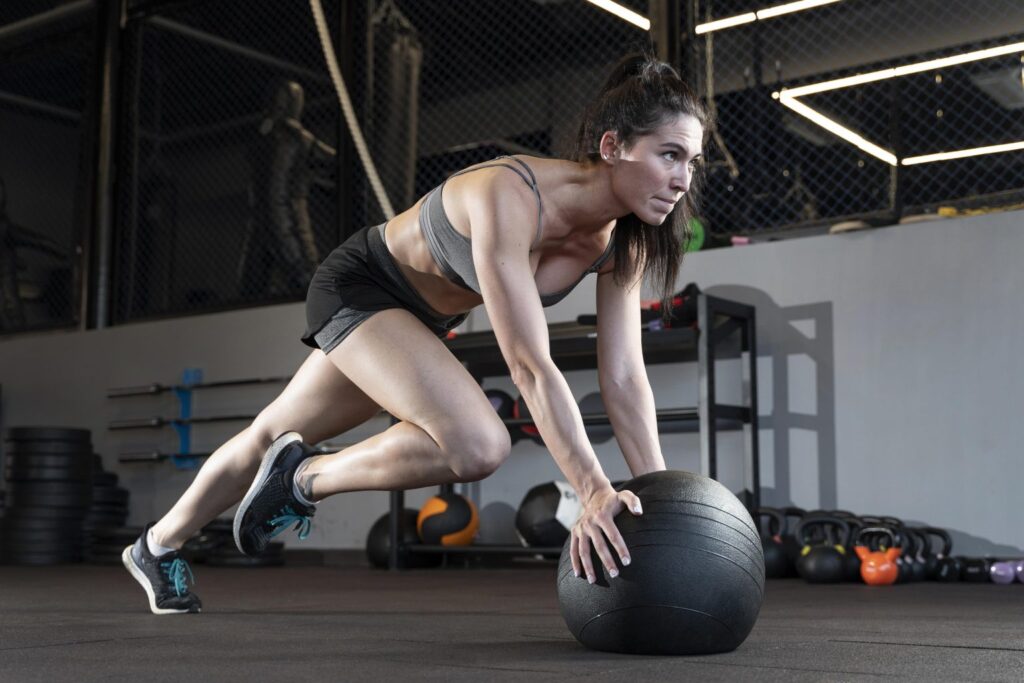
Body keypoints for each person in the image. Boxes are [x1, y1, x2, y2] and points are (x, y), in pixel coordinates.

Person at [122, 52, 709, 615]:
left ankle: (157, 545)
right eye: (669, 155)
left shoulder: (620, 245)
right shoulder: (510, 194)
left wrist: (660, 497)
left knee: (272, 434)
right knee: (479, 445)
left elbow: (626, 377)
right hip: (362, 287)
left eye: (691, 162)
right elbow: (529, 365)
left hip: (420, 321)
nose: (683, 179)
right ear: (613, 147)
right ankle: (299, 479)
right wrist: (594, 490)